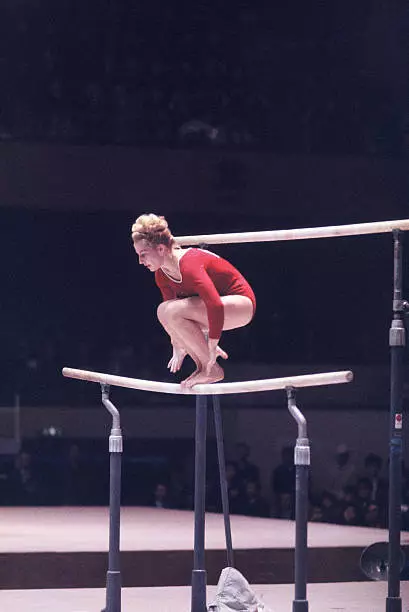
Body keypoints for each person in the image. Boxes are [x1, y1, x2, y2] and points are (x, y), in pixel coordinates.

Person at [131, 214, 256, 387]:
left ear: (160, 249)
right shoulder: (162, 276)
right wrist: (178, 345)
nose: (140, 261)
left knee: (172, 310)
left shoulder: (189, 264)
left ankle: (211, 368)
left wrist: (212, 342)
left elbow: (215, 305)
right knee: (164, 310)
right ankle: (203, 367)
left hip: (241, 304)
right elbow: (171, 321)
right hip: (216, 309)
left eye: (143, 254)